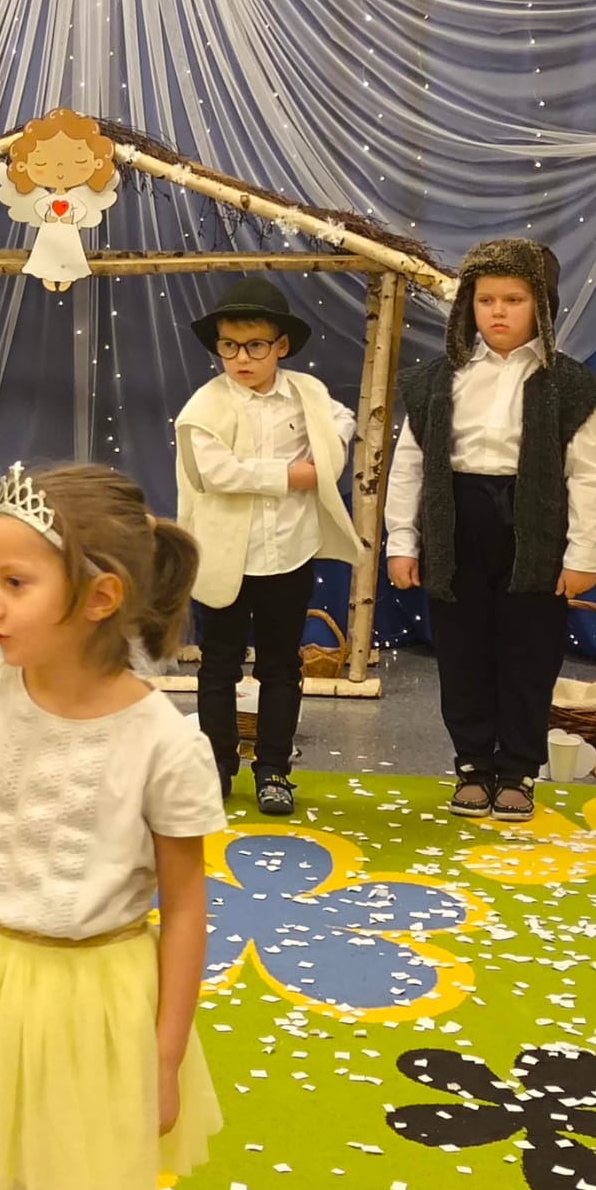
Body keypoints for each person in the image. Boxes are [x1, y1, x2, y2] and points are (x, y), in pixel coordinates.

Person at [0, 462, 223, 1190]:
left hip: (100, 1004)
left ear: (100, 597)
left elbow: (186, 906)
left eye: (15, 582)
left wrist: (164, 1057)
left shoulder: (164, 743)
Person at [386, 241, 596, 822]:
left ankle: (517, 770)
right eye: (486, 299)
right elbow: (410, 466)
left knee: (528, 654)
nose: (498, 311)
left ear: (542, 306)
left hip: (533, 530)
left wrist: (584, 552)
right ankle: (472, 765)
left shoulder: (569, 385)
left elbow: (588, 475)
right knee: (461, 652)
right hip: (457, 524)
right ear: (469, 304)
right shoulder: (437, 380)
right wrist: (403, 541)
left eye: (514, 299)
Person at [174, 278, 359, 813]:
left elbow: (341, 422)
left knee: (281, 666)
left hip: (288, 553)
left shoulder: (307, 393)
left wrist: (329, 452)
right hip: (225, 556)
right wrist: (292, 475)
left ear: (281, 346)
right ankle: (217, 765)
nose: (241, 358)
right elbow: (216, 473)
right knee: (219, 665)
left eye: (255, 345)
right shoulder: (204, 406)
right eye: (229, 346)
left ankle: (273, 768)